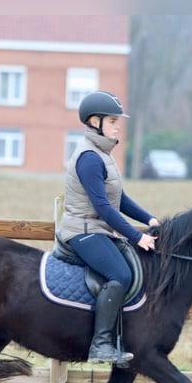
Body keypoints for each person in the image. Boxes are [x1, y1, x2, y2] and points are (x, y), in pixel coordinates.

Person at [57, 91, 159, 366]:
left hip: (98, 228)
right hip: (83, 229)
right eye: (112, 120)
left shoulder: (103, 155)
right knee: (120, 274)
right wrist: (137, 237)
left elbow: (120, 199)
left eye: (118, 120)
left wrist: (150, 219)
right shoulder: (90, 158)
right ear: (94, 121)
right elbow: (103, 207)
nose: (117, 125)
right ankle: (101, 346)